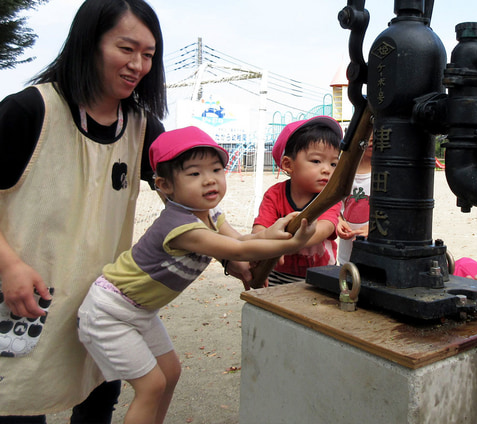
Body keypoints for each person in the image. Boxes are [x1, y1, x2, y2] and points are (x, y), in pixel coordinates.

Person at [77, 126, 315, 424]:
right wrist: (294, 242)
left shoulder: (211, 215)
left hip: (140, 311)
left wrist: (272, 230)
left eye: (216, 169)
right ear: (165, 185)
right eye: (194, 174)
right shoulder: (180, 227)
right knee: (151, 385)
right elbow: (238, 252)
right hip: (110, 312)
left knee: (170, 373)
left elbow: (240, 241)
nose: (210, 179)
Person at [0, 0, 166, 421]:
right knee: (19, 401)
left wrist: (234, 252)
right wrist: (9, 266)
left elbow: (186, 199)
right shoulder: (28, 111)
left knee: (96, 401)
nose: (138, 65)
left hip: (100, 304)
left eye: (148, 54)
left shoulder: (144, 128)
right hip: (25, 298)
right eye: (126, 49)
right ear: (88, 44)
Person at [250, 116, 343, 286]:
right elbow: (260, 229)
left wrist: (282, 246)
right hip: (276, 274)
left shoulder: (330, 197)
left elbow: (323, 228)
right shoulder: (275, 194)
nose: (326, 170)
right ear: (288, 164)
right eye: (316, 161)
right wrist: (260, 247)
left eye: (334, 164)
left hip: (320, 274)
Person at [336, 133, 372, 265]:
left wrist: (374, 228)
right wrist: (337, 221)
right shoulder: (344, 173)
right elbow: (335, 207)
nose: (372, 137)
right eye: (369, 132)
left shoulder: (387, 174)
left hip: (375, 257)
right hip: (347, 255)